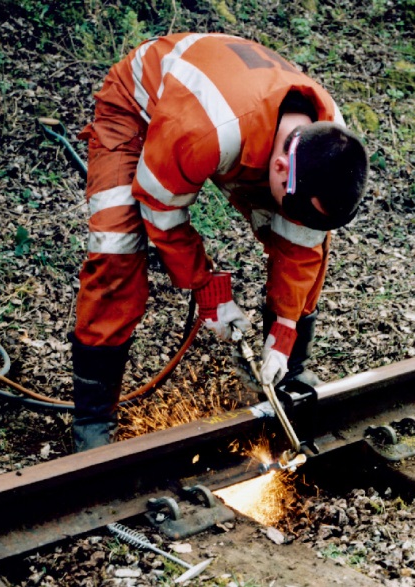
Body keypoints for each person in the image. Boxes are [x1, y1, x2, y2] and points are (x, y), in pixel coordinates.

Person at [70, 32, 369, 452]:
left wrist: (283, 335)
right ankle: (92, 416)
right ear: (281, 167)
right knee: (117, 248)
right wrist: (206, 289)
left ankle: (290, 373)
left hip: (238, 115)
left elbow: (302, 246)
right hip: (139, 111)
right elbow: (162, 210)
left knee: (310, 245)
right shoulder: (204, 131)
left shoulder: (329, 142)